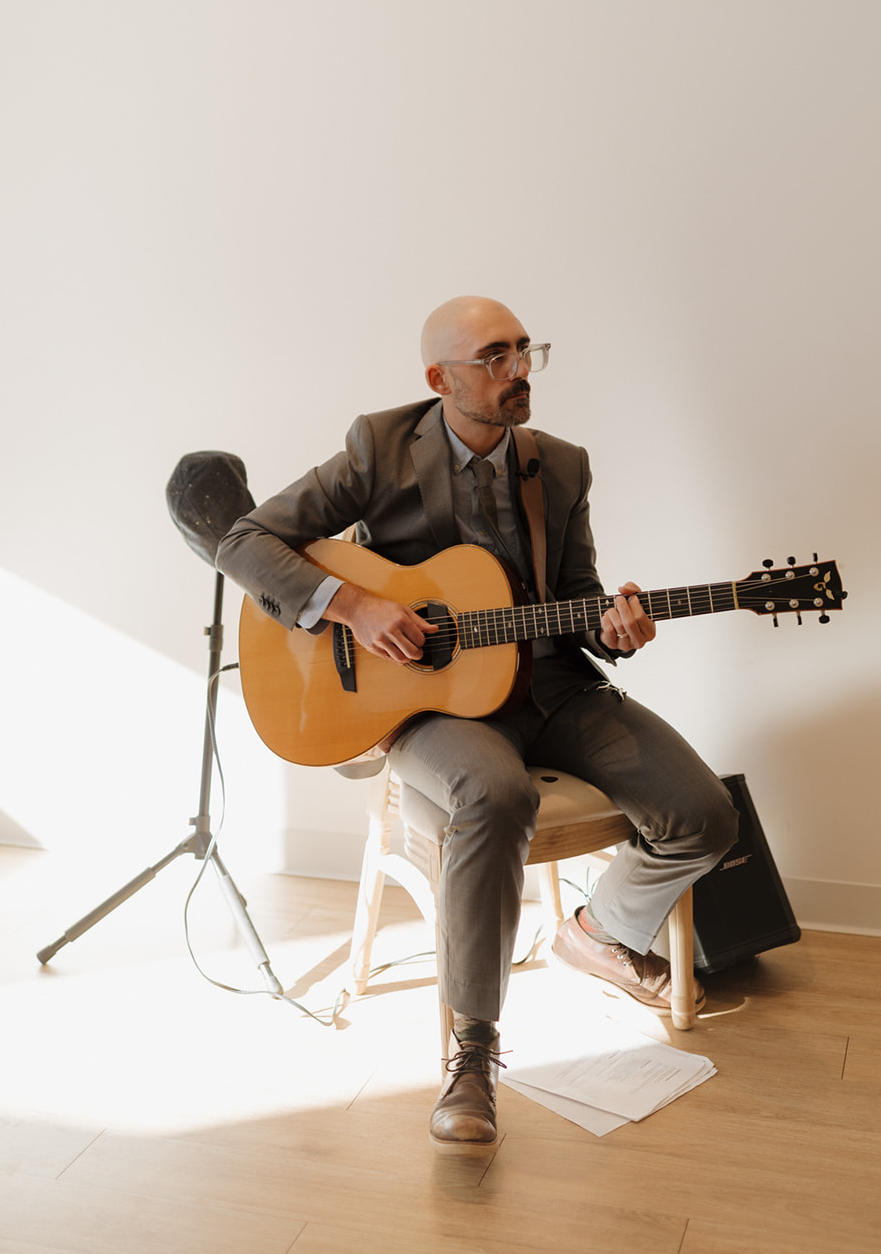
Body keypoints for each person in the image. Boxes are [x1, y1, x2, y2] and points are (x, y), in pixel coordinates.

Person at [216, 296, 737, 1150]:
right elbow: (244, 538)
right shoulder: (377, 447)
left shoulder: (560, 466)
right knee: (495, 796)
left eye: (525, 352)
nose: (519, 372)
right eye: (495, 357)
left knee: (705, 813)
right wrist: (351, 605)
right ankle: (475, 1051)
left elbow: (575, 600)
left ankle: (596, 933)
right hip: (431, 708)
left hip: (554, 686)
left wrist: (615, 628)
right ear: (440, 379)